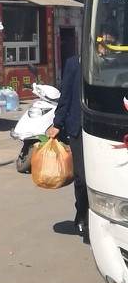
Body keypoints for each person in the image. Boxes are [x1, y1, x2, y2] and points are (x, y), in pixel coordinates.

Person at [46, 54, 88, 239]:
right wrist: (57, 123)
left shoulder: (112, 62)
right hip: (77, 128)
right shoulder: (74, 63)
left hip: (101, 127)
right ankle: (81, 214)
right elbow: (66, 96)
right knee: (81, 177)